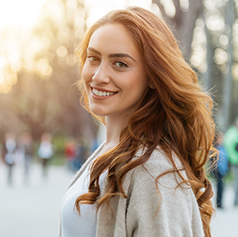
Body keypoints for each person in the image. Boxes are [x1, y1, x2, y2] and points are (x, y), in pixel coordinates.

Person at [60, 7, 216, 237]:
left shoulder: (153, 171)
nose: (98, 76)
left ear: (153, 76)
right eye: (94, 58)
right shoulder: (110, 150)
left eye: (120, 63)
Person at [223, 118, 238, 206]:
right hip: (233, 161)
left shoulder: (232, 133)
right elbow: (231, 148)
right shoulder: (232, 134)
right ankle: (235, 200)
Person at [212, 133, 229, 208]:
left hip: (223, 170)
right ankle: (218, 203)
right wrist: (214, 169)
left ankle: (220, 202)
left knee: (222, 187)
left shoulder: (223, 148)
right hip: (218, 170)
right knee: (219, 187)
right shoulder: (215, 148)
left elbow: (226, 159)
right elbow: (212, 160)